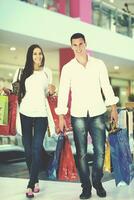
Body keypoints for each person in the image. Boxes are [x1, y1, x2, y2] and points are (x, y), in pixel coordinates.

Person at [55, 33, 119, 199]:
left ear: (85, 44)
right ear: (71, 47)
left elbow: (106, 86)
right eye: (74, 45)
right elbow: (62, 93)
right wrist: (61, 116)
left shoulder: (98, 64)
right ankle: (86, 187)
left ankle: (97, 180)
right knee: (82, 153)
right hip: (78, 115)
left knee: (99, 152)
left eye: (80, 44)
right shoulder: (68, 68)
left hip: (98, 113)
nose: (78, 48)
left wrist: (113, 108)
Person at [15, 44, 55, 198]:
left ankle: (30, 184)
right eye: (35, 54)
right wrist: (7, 91)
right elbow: (16, 92)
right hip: (25, 113)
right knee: (28, 149)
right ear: (30, 56)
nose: (38, 56)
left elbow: (49, 94)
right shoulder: (21, 72)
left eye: (40, 53)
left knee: (37, 148)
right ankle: (36, 179)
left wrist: (52, 90)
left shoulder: (47, 72)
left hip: (41, 115)